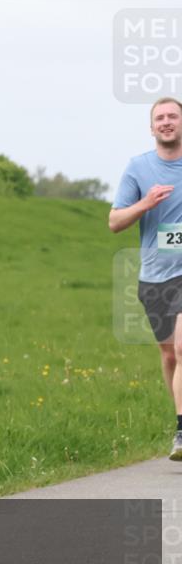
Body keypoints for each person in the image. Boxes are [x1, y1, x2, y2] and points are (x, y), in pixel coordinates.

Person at [109, 96, 182, 461]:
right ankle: (180, 421)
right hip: (155, 276)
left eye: (173, 116)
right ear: (151, 127)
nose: (167, 122)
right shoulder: (138, 169)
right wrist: (146, 204)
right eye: (160, 118)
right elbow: (114, 223)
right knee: (169, 355)